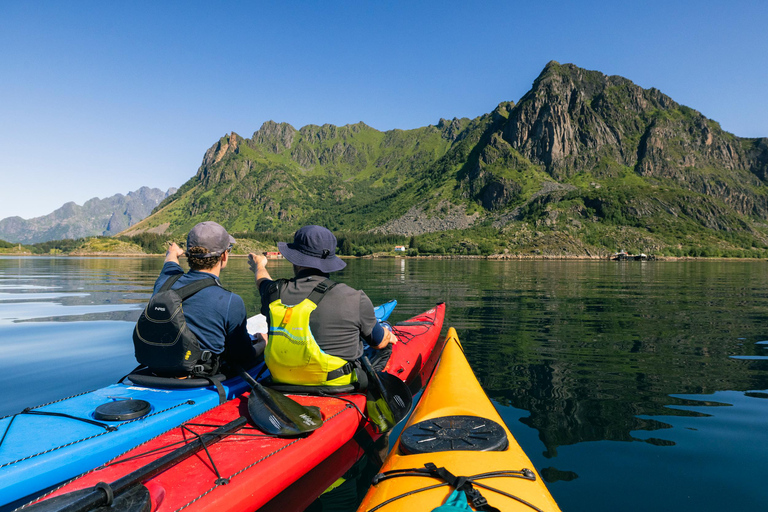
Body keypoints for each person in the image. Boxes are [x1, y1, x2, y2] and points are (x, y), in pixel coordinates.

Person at [248, 225, 396, 387]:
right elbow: (379, 342)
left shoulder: (273, 293)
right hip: (337, 385)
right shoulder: (355, 297)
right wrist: (388, 334)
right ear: (329, 262)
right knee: (384, 344)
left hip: (281, 381)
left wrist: (259, 265)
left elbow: (262, 281)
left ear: (295, 259)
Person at [134, 221, 265, 377]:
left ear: (189, 254)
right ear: (224, 255)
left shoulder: (164, 282)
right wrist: (263, 343)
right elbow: (243, 357)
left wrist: (172, 253)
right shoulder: (231, 301)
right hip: (200, 378)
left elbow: (170, 263)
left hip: (157, 372)